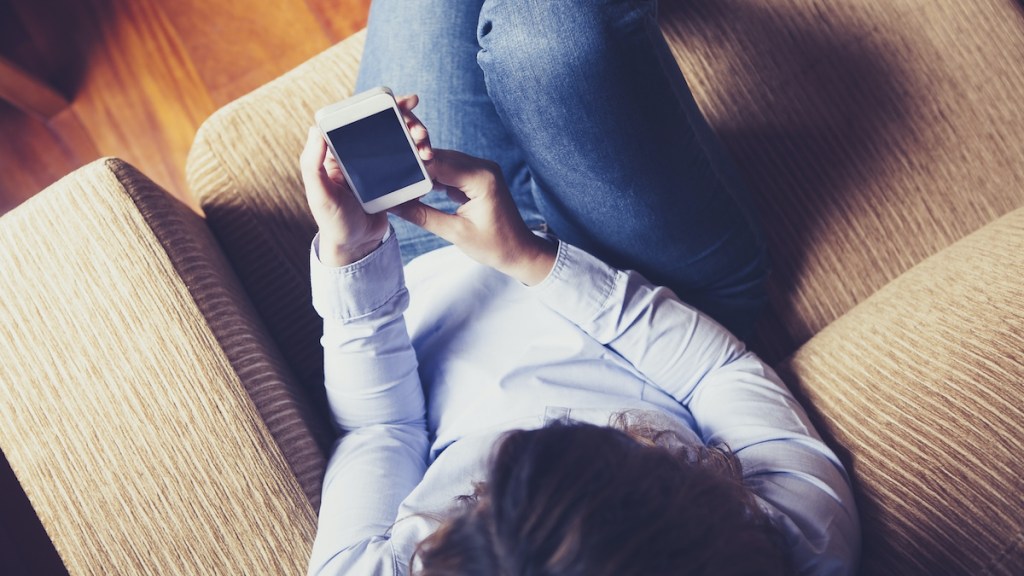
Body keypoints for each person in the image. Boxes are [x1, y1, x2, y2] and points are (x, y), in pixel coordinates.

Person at [301, 1, 860, 575]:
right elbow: (718, 372)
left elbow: (379, 428)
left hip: (428, 260)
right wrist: (532, 259)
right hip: (648, 278)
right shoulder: (794, 539)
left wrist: (355, 254)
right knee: (548, 26)